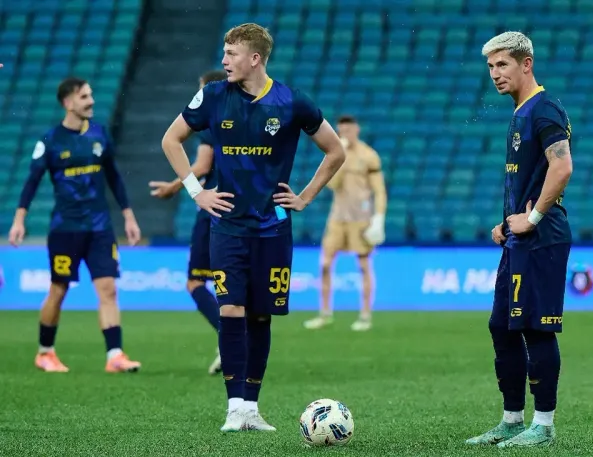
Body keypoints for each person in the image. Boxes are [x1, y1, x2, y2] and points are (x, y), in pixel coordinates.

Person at [161, 23, 345, 432]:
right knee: (230, 308)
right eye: (224, 53)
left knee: (261, 316)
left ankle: (251, 407)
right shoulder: (213, 96)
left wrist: (305, 197)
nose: (224, 61)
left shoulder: (292, 101)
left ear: (255, 58)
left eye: (231, 54)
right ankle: (234, 408)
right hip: (227, 225)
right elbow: (171, 140)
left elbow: (335, 151)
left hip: (273, 228)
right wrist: (196, 192)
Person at [465, 31, 573, 449]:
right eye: (491, 66)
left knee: (535, 329)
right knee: (502, 326)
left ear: (526, 64)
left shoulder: (544, 109)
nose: (495, 73)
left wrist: (532, 218)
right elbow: (529, 178)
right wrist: (507, 223)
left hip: (543, 237)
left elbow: (562, 168)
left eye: (503, 64)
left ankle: (543, 425)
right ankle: (512, 420)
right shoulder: (521, 112)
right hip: (520, 238)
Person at [8, 77, 143, 373]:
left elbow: (114, 177)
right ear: (68, 103)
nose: (91, 101)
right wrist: (19, 219)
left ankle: (115, 355)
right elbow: (32, 181)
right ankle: (45, 352)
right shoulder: (50, 141)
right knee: (59, 289)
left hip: (99, 227)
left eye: (91, 95)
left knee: (108, 288)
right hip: (66, 228)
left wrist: (128, 215)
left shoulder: (99, 134)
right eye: (84, 96)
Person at [149, 69, 227, 375]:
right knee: (231, 284)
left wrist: (174, 186)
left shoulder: (211, 122)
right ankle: (235, 339)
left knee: (196, 282)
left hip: (213, 209)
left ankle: (231, 337)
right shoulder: (245, 121)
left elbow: (203, 165)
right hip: (241, 208)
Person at [304, 115, 386, 332]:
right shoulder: (336, 154)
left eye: (348, 130)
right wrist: (342, 156)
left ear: (356, 129)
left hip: (361, 219)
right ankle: (325, 314)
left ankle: (365, 315)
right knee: (325, 264)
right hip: (338, 218)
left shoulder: (369, 156)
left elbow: (379, 190)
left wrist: (378, 219)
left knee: (364, 266)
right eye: (341, 130)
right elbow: (333, 185)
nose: (345, 134)